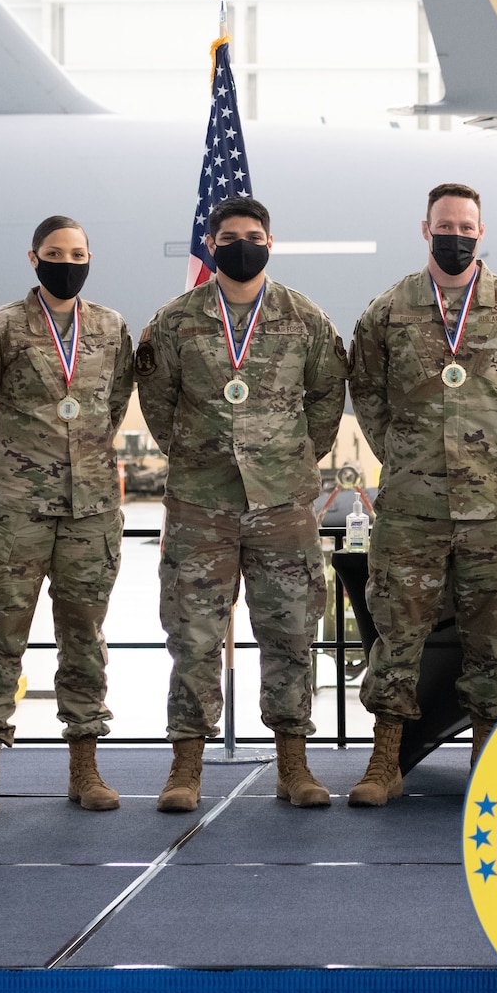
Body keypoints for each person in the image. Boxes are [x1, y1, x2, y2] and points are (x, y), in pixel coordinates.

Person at [347, 183, 497, 805]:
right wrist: (404, 454)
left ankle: (488, 759)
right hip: (412, 505)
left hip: (492, 506)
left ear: (481, 231)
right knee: (398, 630)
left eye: (467, 226)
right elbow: (365, 388)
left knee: (493, 634)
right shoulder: (387, 312)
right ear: (426, 230)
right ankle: (384, 762)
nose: (457, 235)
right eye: (446, 225)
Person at [136, 195, 346, 812]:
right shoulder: (176, 321)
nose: (242, 244)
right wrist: (196, 455)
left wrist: (290, 459)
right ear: (211, 243)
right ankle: (185, 768)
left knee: (290, 632)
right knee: (193, 636)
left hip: (283, 507)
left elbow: (327, 396)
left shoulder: (304, 318)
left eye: (253, 235)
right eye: (229, 236)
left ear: (270, 242)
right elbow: (157, 400)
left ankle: (294, 765)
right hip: (202, 505)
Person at [0, 216, 135, 820]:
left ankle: (85, 767)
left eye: (77, 252)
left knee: (84, 639)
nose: (67, 261)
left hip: (91, 510)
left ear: (91, 257)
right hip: (16, 508)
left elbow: (112, 403)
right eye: (55, 252)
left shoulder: (110, 328)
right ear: (33, 258)